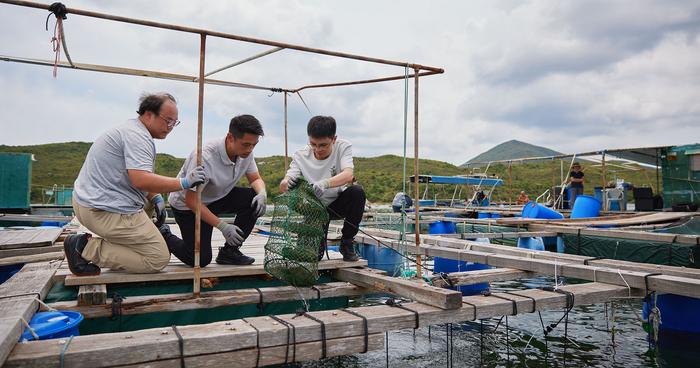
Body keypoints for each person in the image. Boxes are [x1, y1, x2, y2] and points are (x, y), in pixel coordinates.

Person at [64, 93, 206, 276]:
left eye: (175, 123)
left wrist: (154, 196)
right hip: (102, 211)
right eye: (168, 121)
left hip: (88, 203)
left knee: (148, 205)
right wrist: (184, 182)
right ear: (148, 114)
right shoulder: (138, 137)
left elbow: (131, 177)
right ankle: (84, 247)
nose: (171, 127)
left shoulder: (131, 129)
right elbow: (140, 179)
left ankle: (132, 239)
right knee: (157, 258)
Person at [163, 115, 267, 267]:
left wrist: (262, 193)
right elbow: (191, 201)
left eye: (254, 145)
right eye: (246, 144)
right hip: (188, 206)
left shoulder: (246, 153)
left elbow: (255, 179)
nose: (250, 149)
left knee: (253, 198)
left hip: (217, 196)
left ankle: (230, 252)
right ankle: (164, 234)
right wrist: (223, 226)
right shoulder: (205, 157)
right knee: (200, 259)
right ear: (230, 137)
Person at [279, 116, 364, 262]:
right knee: (314, 257)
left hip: (336, 204)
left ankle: (347, 243)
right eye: (313, 144)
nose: (317, 149)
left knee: (357, 192)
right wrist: (287, 182)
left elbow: (348, 175)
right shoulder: (301, 155)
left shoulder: (343, 146)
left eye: (323, 145)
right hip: (314, 209)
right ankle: (315, 239)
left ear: (334, 139)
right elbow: (283, 185)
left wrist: (324, 183)